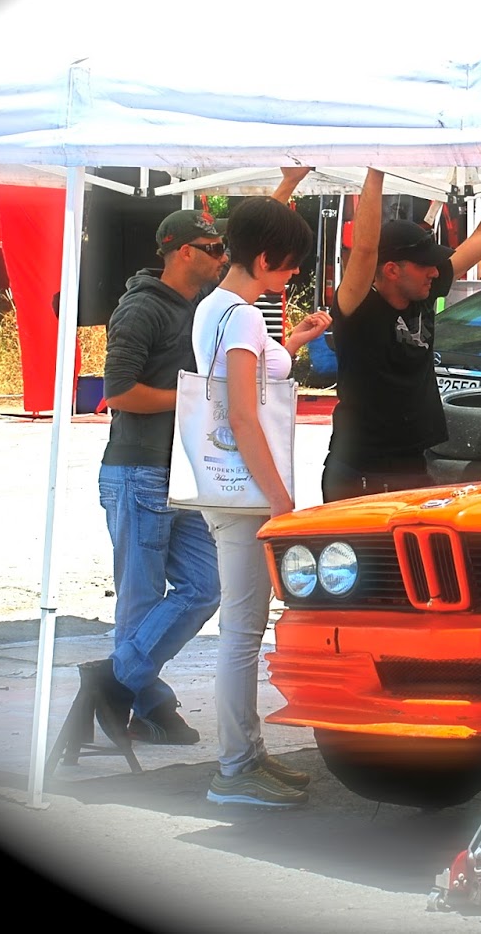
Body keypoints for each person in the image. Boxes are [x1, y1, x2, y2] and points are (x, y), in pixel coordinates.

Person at [87, 169, 309, 747]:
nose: (222, 255)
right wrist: (200, 402)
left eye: (224, 247)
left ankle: (116, 681)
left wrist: (284, 190)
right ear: (184, 252)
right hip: (139, 468)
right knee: (140, 599)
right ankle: (144, 705)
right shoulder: (142, 309)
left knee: (204, 587)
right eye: (212, 248)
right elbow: (117, 393)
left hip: (183, 471)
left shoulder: (209, 305)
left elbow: (256, 245)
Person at [191, 195, 331, 807]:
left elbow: (242, 389)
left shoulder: (215, 308)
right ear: (267, 257)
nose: (293, 274)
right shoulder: (244, 317)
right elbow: (245, 415)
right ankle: (234, 767)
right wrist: (280, 500)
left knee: (242, 630)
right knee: (243, 633)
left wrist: (290, 343)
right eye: (290, 263)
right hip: (248, 491)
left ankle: (245, 754)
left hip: (230, 485)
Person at [321, 166, 481, 502]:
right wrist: (376, 169)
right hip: (361, 472)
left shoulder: (422, 293)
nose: (435, 272)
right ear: (392, 270)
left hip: (414, 463)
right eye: (424, 264)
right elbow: (365, 249)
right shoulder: (358, 308)